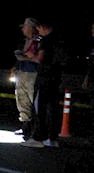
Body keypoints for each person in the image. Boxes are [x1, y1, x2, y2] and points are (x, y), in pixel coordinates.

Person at [22, 19, 66, 148]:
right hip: (56, 77)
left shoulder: (46, 40)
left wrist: (31, 56)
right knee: (53, 108)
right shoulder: (59, 39)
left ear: (42, 27)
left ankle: (38, 138)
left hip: (44, 77)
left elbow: (40, 58)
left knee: (39, 107)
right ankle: (52, 138)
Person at [12, 18, 41, 138]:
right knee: (21, 99)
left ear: (31, 27)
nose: (23, 29)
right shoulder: (24, 40)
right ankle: (25, 126)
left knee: (33, 100)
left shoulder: (39, 40)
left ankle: (36, 128)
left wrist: (27, 58)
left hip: (33, 73)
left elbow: (40, 58)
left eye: (25, 26)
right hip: (22, 72)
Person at [82, 20, 94, 144]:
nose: (92, 30)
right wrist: (87, 79)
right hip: (93, 81)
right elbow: (91, 66)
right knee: (93, 108)